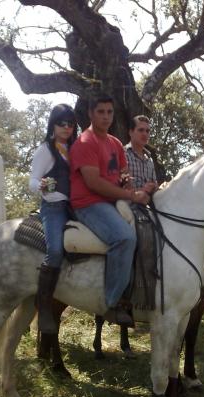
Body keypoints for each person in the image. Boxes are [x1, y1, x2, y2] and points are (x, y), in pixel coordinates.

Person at [69, 95, 149, 326]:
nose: (106, 117)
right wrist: (130, 195)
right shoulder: (85, 142)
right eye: (101, 112)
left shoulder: (114, 143)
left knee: (148, 229)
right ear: (90, 114)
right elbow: (94, 183)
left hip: (113, 201)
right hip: (89, 203)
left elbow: (123, 174)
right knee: (125, 238)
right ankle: (112, 303)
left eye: (109, 112)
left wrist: (129, 185)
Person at [28, 104, 78, 335]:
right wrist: (40, 185)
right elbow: (32, 180)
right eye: (61, 123)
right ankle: (44, 305)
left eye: (70, 124)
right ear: (53, 125)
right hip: (53, 207)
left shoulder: (73, 148)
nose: (66, 128)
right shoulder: (45, 150)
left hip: (75, 206)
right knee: (55, 251)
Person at [124, 115, 157, 196]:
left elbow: (154, 185)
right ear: (131, 132)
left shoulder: (149, 160)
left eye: (147, 131)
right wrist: (143, 190)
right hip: (128, 202)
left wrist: (154, 187)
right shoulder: (123, 154)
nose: (145, 134)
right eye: (141, 130)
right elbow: (120, 188)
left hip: (148, 202)